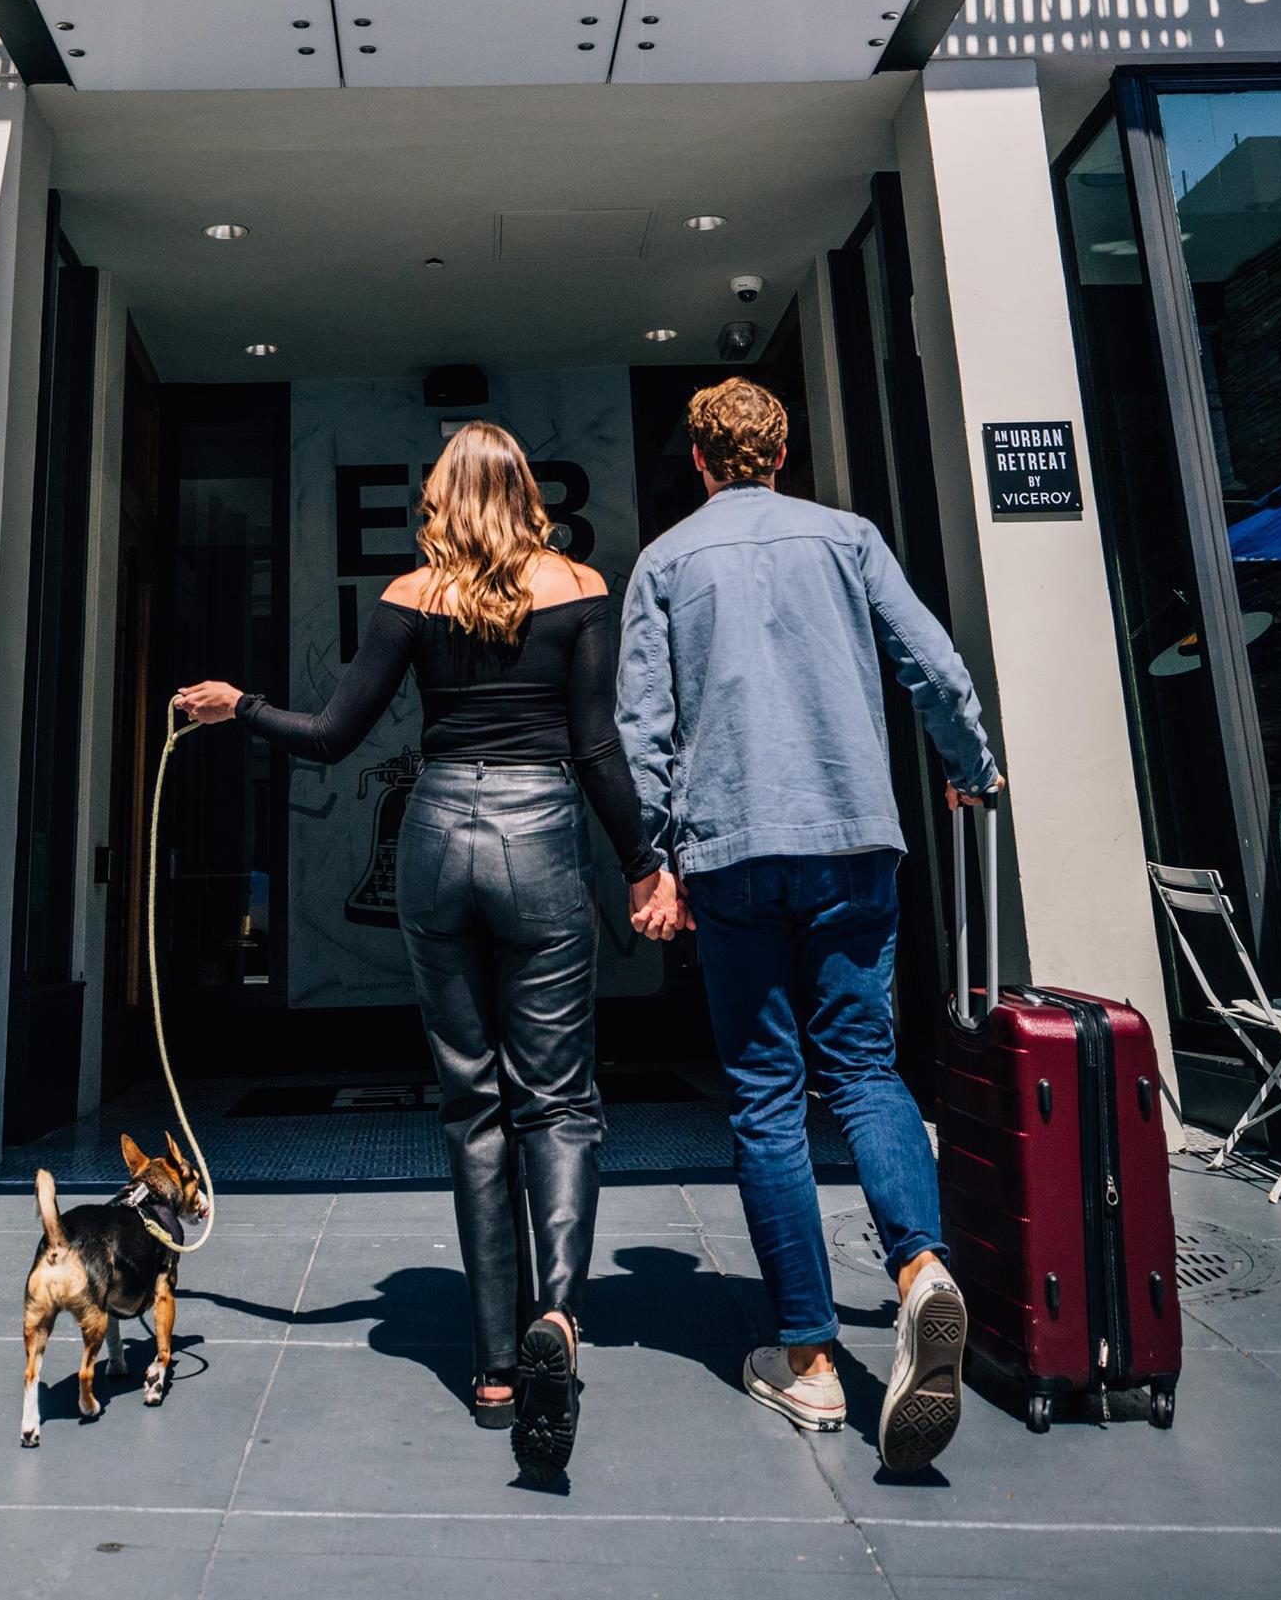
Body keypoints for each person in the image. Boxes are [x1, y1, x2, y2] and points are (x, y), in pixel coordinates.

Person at [175, 418, 657, 1475]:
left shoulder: (409, 597)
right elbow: (594, 744)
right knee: (559, 1098)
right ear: (527, 488)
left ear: (442, 495)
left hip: (435, 840)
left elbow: (334, 736)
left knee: (470, 1100)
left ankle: (491, 1367)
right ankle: (559, 1320)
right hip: (538, 841)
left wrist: (240, 705)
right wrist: (644, 860)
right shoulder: (578, 584)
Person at [616, 376, 1002, 1475]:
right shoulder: (848, 537)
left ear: (698, 458)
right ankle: (920, 1265)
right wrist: (968, 766)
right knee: (867, 1068)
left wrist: (650, 858)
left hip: (732, 848)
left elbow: (640, 725)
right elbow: (931, 662)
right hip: (849, 833)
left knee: (763, 1087)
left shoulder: (664, 560)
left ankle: (810, 1359)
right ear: (781, 452)